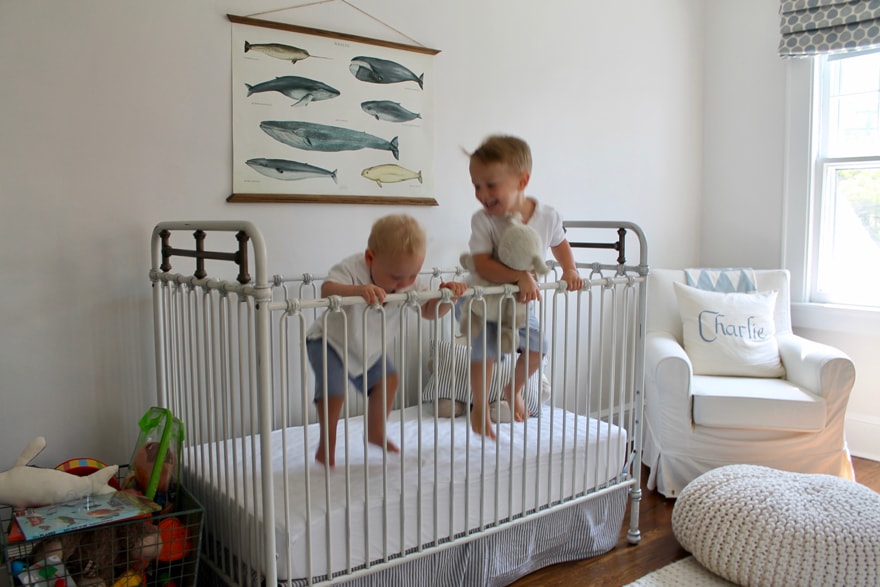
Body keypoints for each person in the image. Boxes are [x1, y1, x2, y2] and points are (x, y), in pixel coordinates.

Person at [307, 214, 467, 466]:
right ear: (370, 258)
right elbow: (327, 289)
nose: (403, 284)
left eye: (412, 275)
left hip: (368, 350)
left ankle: (375, 432)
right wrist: (358, 291)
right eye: (395, 277)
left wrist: (447, 298)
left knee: (389, 380)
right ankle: (327, 444)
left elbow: (428, 312)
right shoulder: (352, 268)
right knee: (334, 391)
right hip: (329, 343)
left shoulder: (409, 284)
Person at [465, 134, 584, 439]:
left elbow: (560, 244)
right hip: (488, 303)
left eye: (491, 185)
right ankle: (479, 406)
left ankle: (512, 388)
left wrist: (569, 269)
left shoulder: (547, 216)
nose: (482, 194)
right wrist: (518, 276)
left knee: (536, 350)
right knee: (486, 352)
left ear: (522, 181)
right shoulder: (484, 221)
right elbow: (480, 263)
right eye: (476, 185)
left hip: (519, 306)